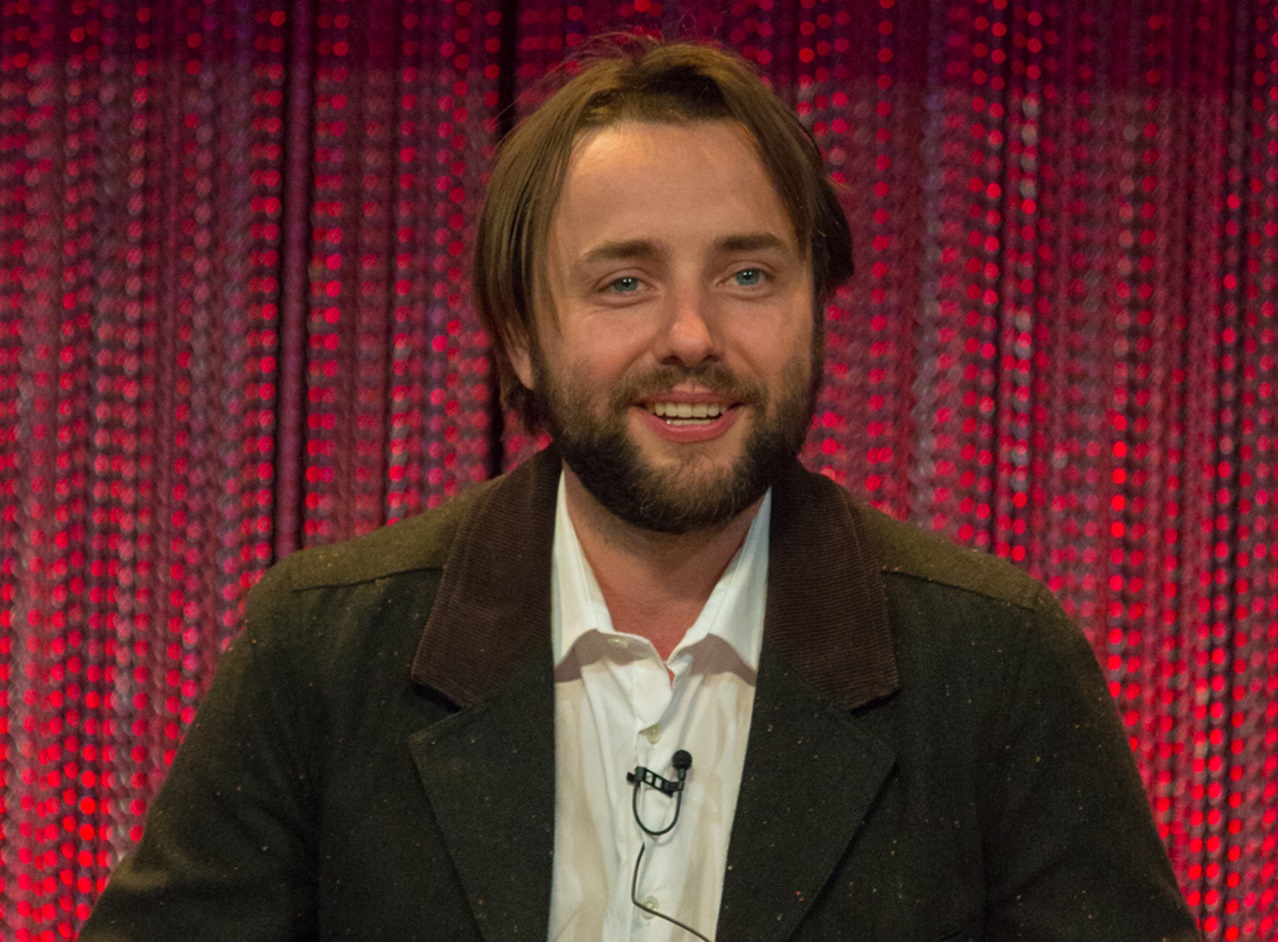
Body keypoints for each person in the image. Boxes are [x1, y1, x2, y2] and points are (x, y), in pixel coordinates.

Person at [81, 38, 1199, 941]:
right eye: (624, 282)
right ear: (520, 336)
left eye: (747, 274)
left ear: (817, 307)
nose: (692, 335)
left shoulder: (996, 662)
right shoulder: (325, 648)